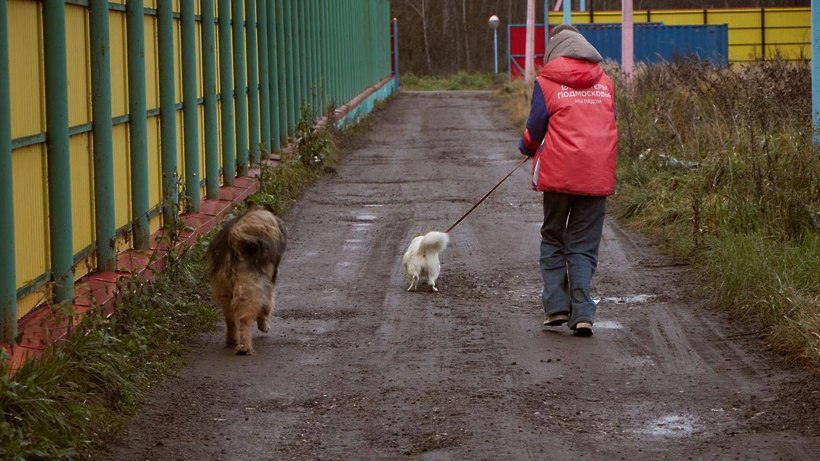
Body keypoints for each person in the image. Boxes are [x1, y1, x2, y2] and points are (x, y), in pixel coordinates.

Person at [518, 24, 618, 337]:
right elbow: (609, 123)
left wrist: (526, 148)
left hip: (559, 175)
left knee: (553, 236)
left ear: (554, 50)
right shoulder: (606, 83)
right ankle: (583, 312)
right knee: (584, 245)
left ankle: (556, 307)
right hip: (597, 173)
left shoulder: (546, 82)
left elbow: (535, 128)